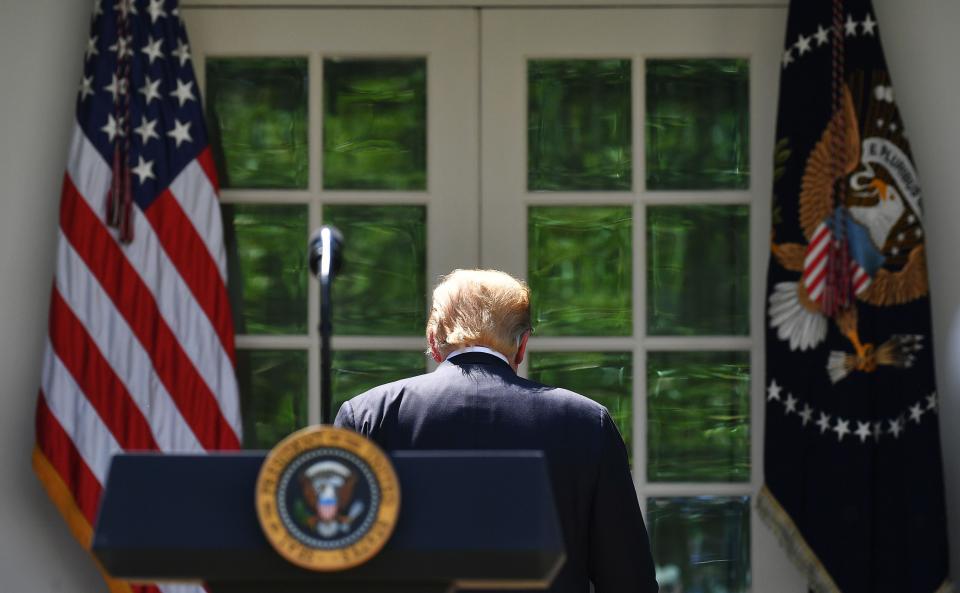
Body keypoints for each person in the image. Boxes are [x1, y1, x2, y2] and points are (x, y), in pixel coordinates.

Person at [334, 269, 659, 593]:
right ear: (522, 345)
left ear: (433, 340)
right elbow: (629, 579)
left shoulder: (368, 416)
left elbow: (335, 566)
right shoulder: (587, 423)